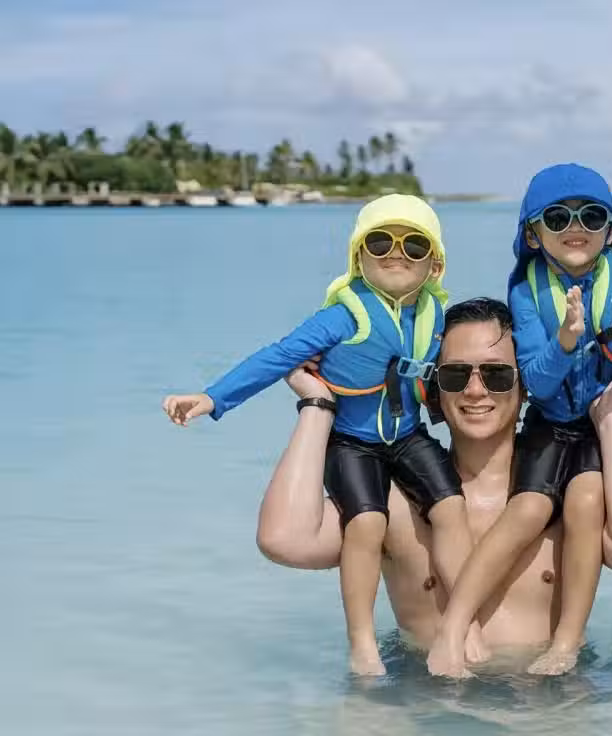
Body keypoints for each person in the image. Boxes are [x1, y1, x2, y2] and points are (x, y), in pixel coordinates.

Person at [161, 194, 478, 675]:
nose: (396, 253)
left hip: (408, 435)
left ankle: (464, 623)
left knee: (452, 507)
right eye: (380, 242)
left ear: (434, 264)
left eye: (413, 245)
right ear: (358, 257)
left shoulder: (436, 316)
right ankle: (362, 643)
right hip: (352, 442)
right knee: (366, 523)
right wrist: (212, 398)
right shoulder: (344, 316)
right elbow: (278, 356)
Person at [255, 298, 612, 671]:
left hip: (550, 703)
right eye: (454, 375)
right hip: (430, 702)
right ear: (432, 389)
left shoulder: (568, 493)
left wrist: (611, 420)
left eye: (497, 375)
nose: (476, 390)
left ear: (526, 387)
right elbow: (284, 540)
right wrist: (318, 406)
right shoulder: (398, 501)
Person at [426, 164, 612, 678]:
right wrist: (566, 341)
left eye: (591, 216)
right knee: (529, 507)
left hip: (606, 420)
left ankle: (566, 642)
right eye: (557, 218)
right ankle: (455, 625)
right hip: (551, 419)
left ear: (610, 230)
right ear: (533, 234)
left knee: (585, 499)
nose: (575, 227)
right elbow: (536, 379)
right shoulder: (525, 292)